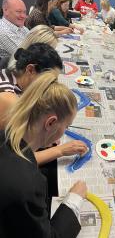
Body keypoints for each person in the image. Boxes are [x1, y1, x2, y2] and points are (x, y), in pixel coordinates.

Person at [0, 70, 87, 237]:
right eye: (66, 127)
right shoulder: (30, 184)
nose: (64, 131)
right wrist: (74, 200)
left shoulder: (5, 134)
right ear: (51, 122)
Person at [0, 43, 87, 166]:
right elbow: (15, 161)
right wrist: (59, 150)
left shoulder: (13, 76)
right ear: (30, 69)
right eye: (49, 80)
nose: (51, 86)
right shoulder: (9, 100)